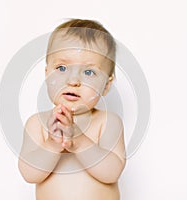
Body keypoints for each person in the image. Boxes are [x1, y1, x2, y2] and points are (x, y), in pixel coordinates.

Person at [18, 19, 126, 200]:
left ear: (106, 85)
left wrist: (78, 140)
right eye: (62, 68)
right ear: (46, 74)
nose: (73, 81)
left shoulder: (108, 122)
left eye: (89, 72)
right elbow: (29, 174)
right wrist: (52, 144)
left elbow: (111, 173)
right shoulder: (37, 124)